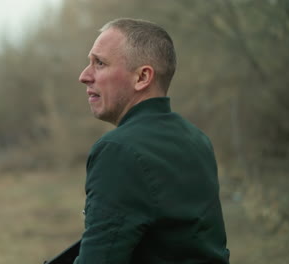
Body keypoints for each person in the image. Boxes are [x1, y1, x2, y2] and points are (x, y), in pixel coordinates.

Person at [74, 18, 230, 263]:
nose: (84, 76)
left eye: (100, 63)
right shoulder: (197, 140)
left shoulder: (118, 150)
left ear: (142, 77)